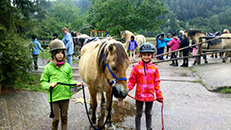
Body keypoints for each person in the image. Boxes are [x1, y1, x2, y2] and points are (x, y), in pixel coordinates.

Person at [40, 39, 83, 130]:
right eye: (57, 53)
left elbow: (69, 81)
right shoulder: (48, 68)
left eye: (62, 52)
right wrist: (49, 85)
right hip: (54, 97)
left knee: (64, 118)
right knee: (55, 119)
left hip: (65, 97)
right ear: (52, 54)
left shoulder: (67, 66)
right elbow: (43, 82)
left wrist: (76, 84)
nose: (60, 55)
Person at [128, 43, 163, 130]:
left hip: (150, 96)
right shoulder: (136, 68)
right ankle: (137, 128)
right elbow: (132, 81)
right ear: (141, 55)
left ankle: (149, 128)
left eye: (148, 55)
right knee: (138, 114)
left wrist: (159, 95)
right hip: (139, 96)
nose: (146, 57)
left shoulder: (155, 68)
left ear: (152, 55)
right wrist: (126, 89)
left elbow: (156, 83)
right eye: (144, 55)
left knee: (148, 113)